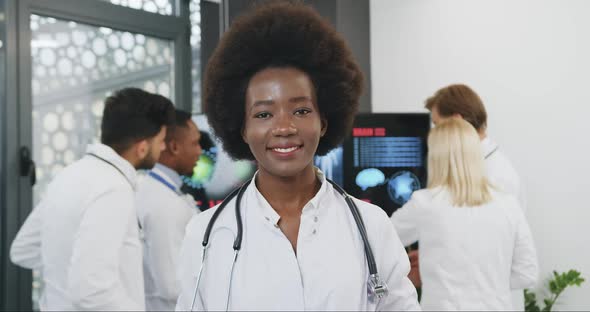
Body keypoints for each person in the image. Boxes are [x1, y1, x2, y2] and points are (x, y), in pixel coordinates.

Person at [175, 2, 420, 311]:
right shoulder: (206, 234)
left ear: (325, 120)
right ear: (242, 128)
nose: (284, 127)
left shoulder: (371, 226)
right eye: (263, 113)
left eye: (301, 110)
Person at [10, 88, 175, 310]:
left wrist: (68, 268)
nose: (163, 147)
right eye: (162, 140)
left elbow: (24, 249)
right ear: (142, 147)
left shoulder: (68, 176)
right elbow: (91, 290)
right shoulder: (113, 188)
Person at [390, 118, 538, 310]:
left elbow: (379, 240)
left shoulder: (425, 203)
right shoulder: (508, 204)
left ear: (436, 157)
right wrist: (487, 282)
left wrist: (433, 267)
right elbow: (527, 274)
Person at [424, 83, 528, 309]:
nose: (433, 133)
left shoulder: (497, 176)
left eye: (436, 124)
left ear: (456, 121)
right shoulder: (482, 167)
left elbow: (481, 253)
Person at [135, 109, 202, 311]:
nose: (200, 151)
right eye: (195, 143)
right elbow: (172, 286)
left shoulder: (162, 193)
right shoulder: (163, 203)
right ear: (174, 147)